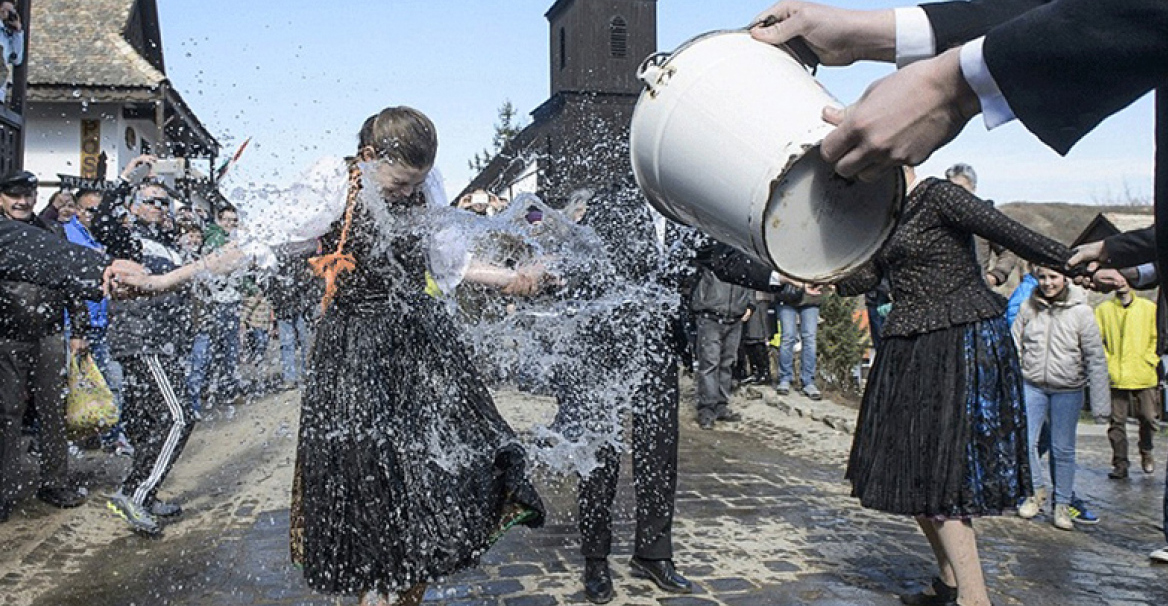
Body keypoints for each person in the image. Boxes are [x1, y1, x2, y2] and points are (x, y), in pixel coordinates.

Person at [284, 107, 545, 606]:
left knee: (435, 474)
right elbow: (256, 245)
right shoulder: (335, 184)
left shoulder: (426, 187)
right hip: (353, 354)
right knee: (368, 481)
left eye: (415, 184)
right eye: (400, 183)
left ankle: (404, 593)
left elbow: (455, 264)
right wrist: (162, 280)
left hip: (421, 348)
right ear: (368, 157)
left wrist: (514, 281)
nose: (407, 194)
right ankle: (373, 593)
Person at [834, 168, 1075, 606]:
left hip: (958, 338)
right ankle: (948, 580)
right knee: (903, 469)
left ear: (900, 163)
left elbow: (1009, 233)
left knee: (942, 475)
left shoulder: (939, 196)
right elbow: (867, 275)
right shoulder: (883, 216)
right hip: (908, 344)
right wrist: (820, 274)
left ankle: (974, 598)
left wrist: (1072, 261)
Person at [0, 170, 89, 522]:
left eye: (27, 195)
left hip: (49, 334)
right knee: (7, 414)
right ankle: (3, 490)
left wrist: (79, 330)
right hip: (6, 335)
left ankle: (54, 481)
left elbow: (72, 280)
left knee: (54, 411)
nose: (21, 201)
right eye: (13, 195)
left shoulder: (52, 231)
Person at [1011, 266, 1109, 530]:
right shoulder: (1027, 307)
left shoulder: (1081, 312)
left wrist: (1101, 406)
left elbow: (1095, 358)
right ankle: (1035, 492)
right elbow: (1014, 345)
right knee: (1026, 442)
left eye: (1053, 277)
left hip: (1068, 388)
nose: (1047, 283)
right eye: (1042, 277)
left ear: (1064, 278)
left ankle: (1062, 504)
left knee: (1062, 448)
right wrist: (1016, 378)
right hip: (1032, 384)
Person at [64, 188, 132, 456]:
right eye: (92, 211)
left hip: (102, 324)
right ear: (78, 210)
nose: (97, 216)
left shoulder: (102, 237)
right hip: (73, 324)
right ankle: (69, 440)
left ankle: (112, 438)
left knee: (111, 381)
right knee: (70, 385)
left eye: (101, 211)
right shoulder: (67, 234)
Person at [1095, 275, 1160, 480]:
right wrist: (1108, 362)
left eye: (1126, 279)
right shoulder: (1104, 310)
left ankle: (1146, 450)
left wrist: (1150, 358)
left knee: (1149, 418)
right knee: (1116, 422)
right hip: (1116, 374)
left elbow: (1157, 337)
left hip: (1143, 372)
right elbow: (1097, 340)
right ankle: (1120, 463)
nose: (1121, 282)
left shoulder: (1149, 308)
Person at [690, 267, 754, 429]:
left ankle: (721, 405)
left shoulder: (742, 253)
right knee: (709, 363)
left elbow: (751, 277)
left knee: (727, 363)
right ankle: (707, 409)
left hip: (735, 315)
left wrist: (750, 304)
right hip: (710, 313)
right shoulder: (713, 250)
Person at [775, 281, 823, 399]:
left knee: (810, 339)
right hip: (786, 296)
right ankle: (785, 378)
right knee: (788, 337)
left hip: (811, 298)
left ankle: (808, 381)